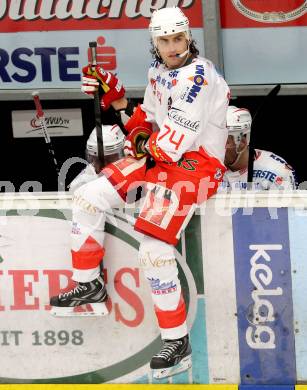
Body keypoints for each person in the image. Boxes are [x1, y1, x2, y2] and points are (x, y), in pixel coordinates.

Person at [50, 7, 230, 379]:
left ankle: (177, 340)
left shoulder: (200, 77)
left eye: (178, 38)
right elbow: (145, 124)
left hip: (197, 167)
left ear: (189, 36)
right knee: (87, 197)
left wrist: (130, 124)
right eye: (164, 41)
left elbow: (165, 147)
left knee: (152, 246)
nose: (172, 47)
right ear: (155, 43)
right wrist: (114, 98)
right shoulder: (159, 73)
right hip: (162, 157)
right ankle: (89, 285)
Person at [221, 106, 296, 190]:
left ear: (242, 143)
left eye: (223, 140)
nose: (215, 146)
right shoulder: (207, 166)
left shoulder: (277, 172)